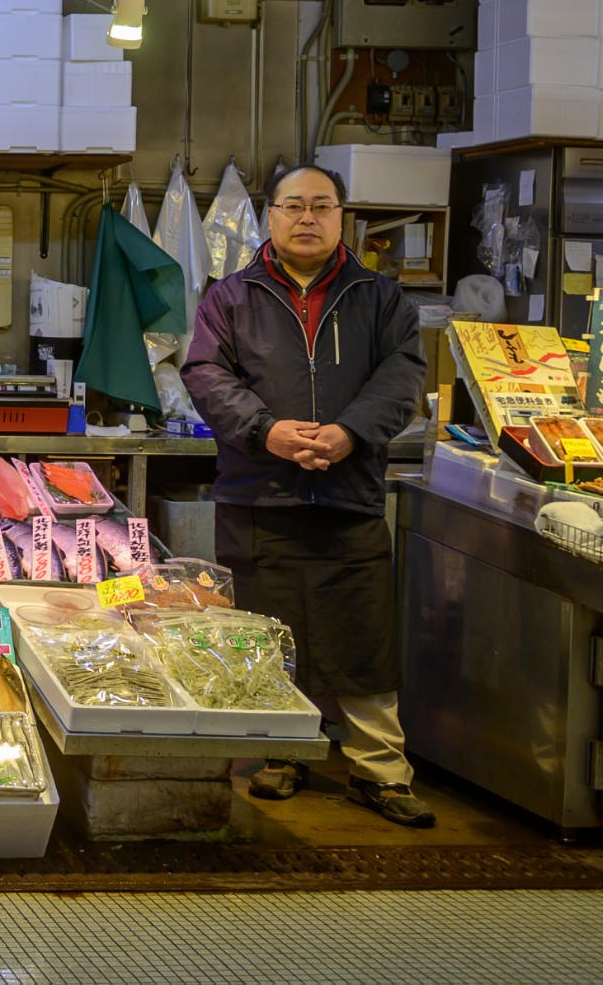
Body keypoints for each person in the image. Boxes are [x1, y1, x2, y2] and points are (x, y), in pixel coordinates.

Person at [180, 164, 433, 828]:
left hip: (349, 495)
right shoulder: (229, 297)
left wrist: (350, 433)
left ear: (342, 217)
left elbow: (402, 376)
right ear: (270, 216)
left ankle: (381, 771)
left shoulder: (380, 298)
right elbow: (205, 373)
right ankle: (280, 755)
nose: (307, 218)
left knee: (362, 636)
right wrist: (268, 431)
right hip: (260, 495)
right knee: (267, 637)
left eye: (322, 206)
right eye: (294, 206)